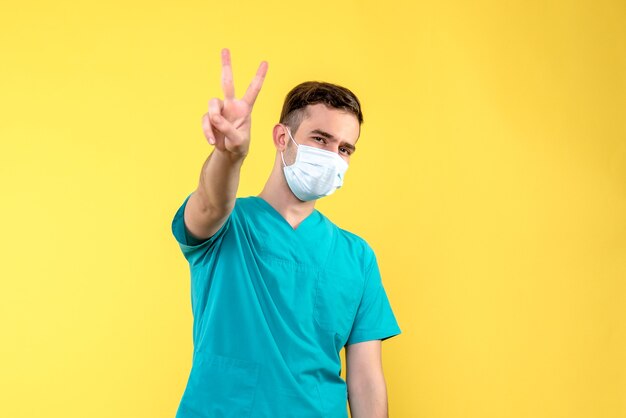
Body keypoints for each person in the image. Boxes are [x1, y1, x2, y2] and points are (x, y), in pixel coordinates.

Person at [171, 48, 401, 418]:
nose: (332, 156)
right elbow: (211, 206)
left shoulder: (357, 257)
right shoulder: (229, 226)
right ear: (282, 137)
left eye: (345, 149)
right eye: (320, 139)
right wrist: (229, 156)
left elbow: (367, 381)